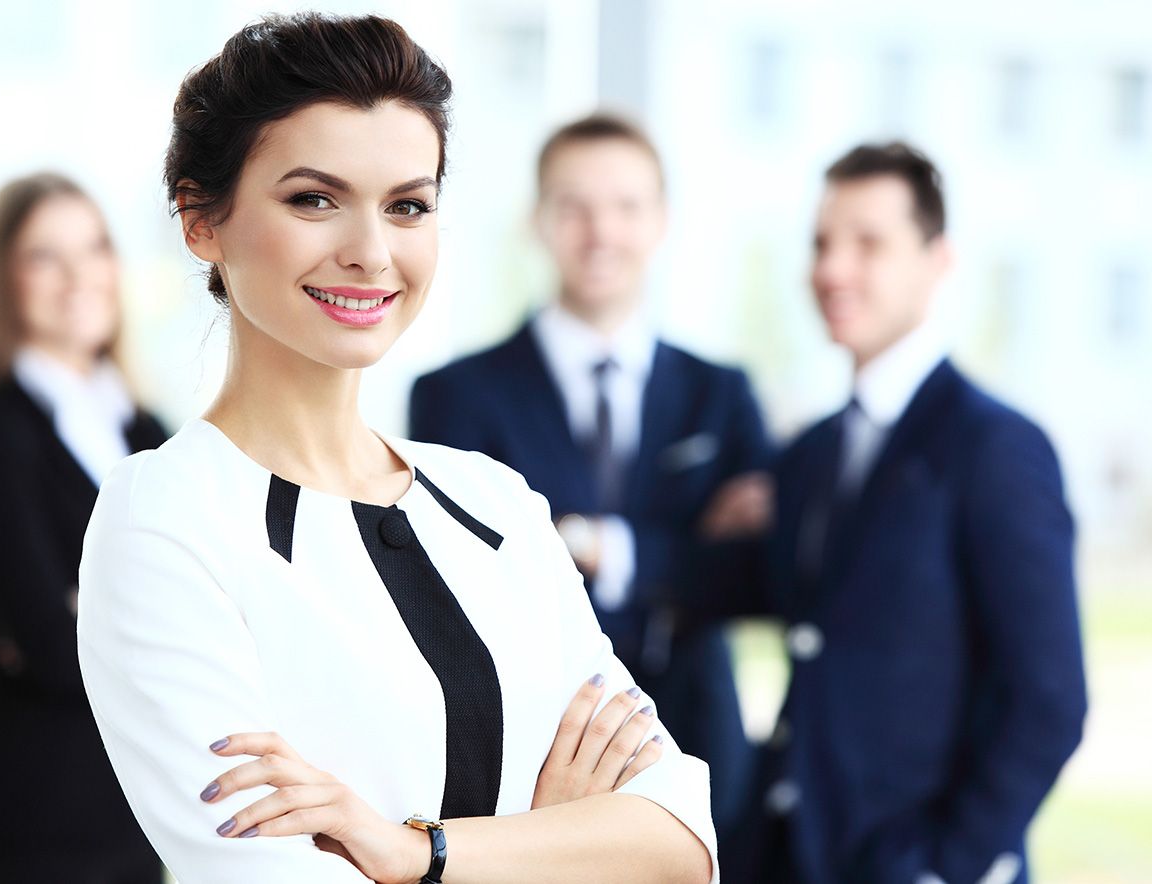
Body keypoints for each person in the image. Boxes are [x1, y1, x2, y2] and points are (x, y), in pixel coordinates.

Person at [76, 14, 716, 884]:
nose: (371, 253)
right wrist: (552, 841)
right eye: (314, 199)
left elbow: (682, 843)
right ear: (200, 219)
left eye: (407, 206)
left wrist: (415, 851)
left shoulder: (496, 502)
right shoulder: (167, 520)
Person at [720, 142, 1087, 884]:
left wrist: (948, 867)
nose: (831, 270)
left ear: (937, 259)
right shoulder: (811, 453)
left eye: (869, 243)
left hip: (912, 859)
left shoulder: (996, 447)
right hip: (788, 849)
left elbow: (1048, 699)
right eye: (823, 243)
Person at [409, 113, 772, 851]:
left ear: (661, 222)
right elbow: (462, 584)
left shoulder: (722, 395)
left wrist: (607, 547)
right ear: (538, 221)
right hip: (534, 763)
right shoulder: (455, 396)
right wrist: (682, 554)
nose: (600, 231)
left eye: (626, 207)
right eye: (574, 207)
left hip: (701, 752)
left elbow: (757, 578)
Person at [0, 173, 166, 883]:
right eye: (45, 256)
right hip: (30, 822)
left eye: (94, 248)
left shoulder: (147, 429)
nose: (79, 276)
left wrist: (92, 606)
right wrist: (161, 622)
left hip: (134, 817)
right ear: (3, 280)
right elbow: (49, 644)